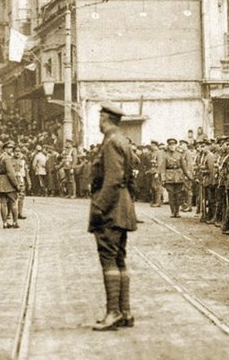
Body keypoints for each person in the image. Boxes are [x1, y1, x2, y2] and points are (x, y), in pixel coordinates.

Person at [88, 104, 137, 331]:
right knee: (119, 258)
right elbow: (129, 179)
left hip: (111, 208)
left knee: (108, 257)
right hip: (122, 206)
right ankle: (125, 311)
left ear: (105, 119)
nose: (99, 122)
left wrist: (99, 207)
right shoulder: (121, 140)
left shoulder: (111, 142)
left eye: (100, 117)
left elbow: (113, 179)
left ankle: (114, 312)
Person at [159, 138, 192, 218]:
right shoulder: (165, 155)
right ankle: (172, 212)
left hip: (179, 177)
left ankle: (177, 212)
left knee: (178, 195)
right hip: (169, 177)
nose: (172, 146)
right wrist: (163, 179)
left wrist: (189, 177)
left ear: (175, 145)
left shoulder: (180, 155)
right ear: (168, 146)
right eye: (170, 145)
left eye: (173, 145)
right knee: (171, 195)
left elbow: (184, 167)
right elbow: (163, 168)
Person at [0, 142, 21, 228]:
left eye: (12, 148)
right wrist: (16, 185)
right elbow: (10, 173)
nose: (11, 150)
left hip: (0, 181)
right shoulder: (7, 158)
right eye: (9, 148)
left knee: (3, 203)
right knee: (13, 202)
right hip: (8, 182)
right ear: (5, 148)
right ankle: (15, 222)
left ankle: (5, 223)